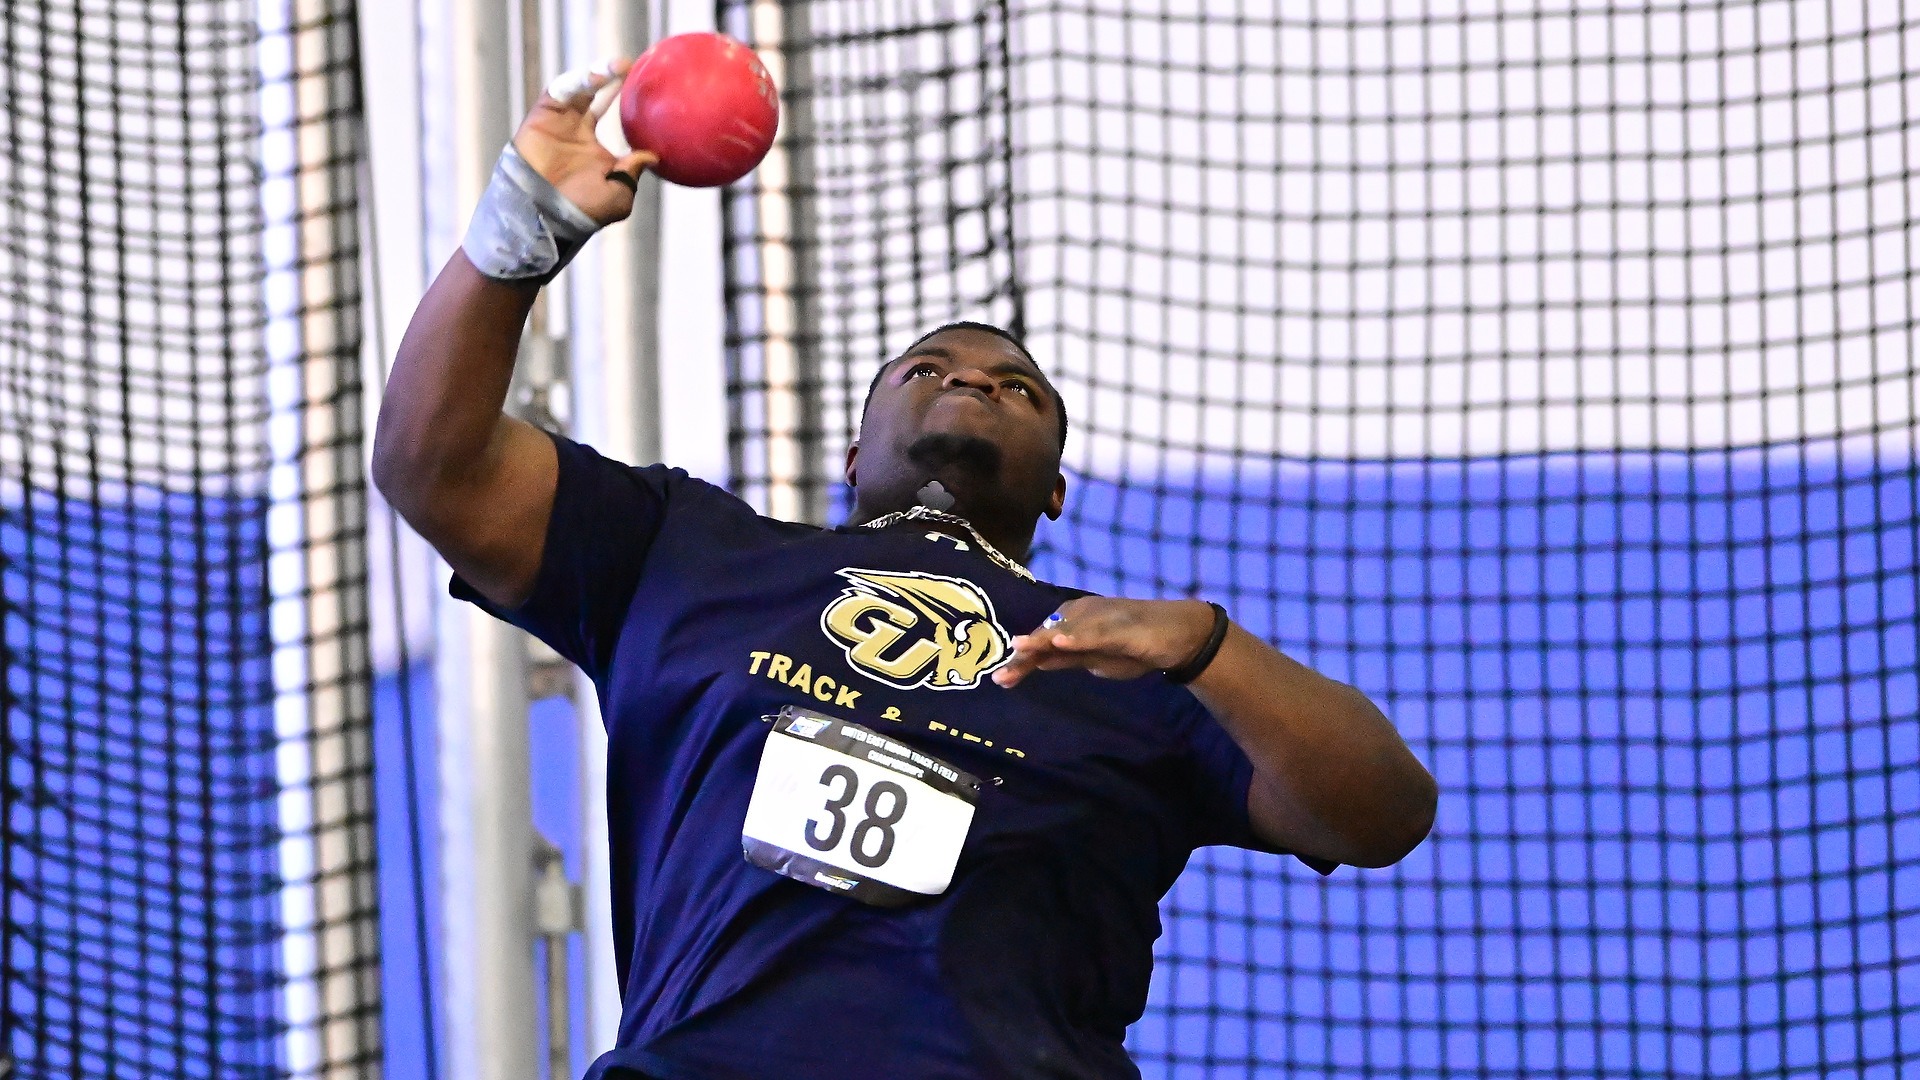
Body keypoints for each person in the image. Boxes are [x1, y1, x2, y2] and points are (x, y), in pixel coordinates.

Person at [374, 57, 1437, 1080]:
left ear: (1057, 491)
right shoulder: (686, 551)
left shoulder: (1122, 657)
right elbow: (432, 467)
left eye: (1017, 389)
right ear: (851, 456)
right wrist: (518, 232)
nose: (971, 380)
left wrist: (1210, 647)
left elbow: (1385, 815)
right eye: (926, 369)